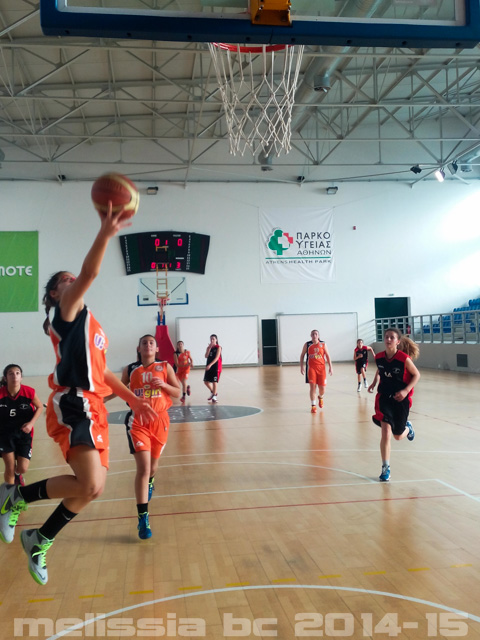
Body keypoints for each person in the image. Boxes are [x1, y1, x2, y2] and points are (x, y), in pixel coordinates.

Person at [0, 202, 157, 586]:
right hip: (73, 402)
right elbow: (90, 272)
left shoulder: (91, 325)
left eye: (73, 279)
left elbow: (102, 372)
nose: (74, 281)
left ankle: (39, 539)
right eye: (65, 280)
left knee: (93, 488)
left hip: (94, 405)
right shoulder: (65, 311)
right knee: (87, 483)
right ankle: (16, 498)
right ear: (55, 293)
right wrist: (106, 230)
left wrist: (134, 399)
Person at [122, 334, 180, 539]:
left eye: (151, 343)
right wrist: (98, 400)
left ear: (156, 349)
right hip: (138, 422)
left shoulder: (165, 367)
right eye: (144, 343)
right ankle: (143, 518)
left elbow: (178, 392)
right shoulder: (130, 369)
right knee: (144, 468)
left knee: (152, 468)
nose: (148, 345)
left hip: (160, 421)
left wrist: (163, 385)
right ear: (138, 348)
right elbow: (118, 389)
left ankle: (151, 481)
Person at [368, 328, 420, 482]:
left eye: (392, 337)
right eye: (386, 337)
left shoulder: (404, 359)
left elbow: (417, 375)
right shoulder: (379, 357)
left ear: (398, 341)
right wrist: (374, 382)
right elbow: (381, 370)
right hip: (384, 398)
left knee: (397, 436)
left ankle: (408, 428)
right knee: (385, 432)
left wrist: (405, 390)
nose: (388, 339)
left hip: (400, 400)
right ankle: (385, 467)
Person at [0, 364, 43, 486]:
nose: (14, 376)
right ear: (5, 378)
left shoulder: (29, 392)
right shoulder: (1, 394)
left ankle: (18, 475)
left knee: (22, 468)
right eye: (11, 373)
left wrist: (31, 424)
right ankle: (9, 494)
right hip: (4, 434)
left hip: (24, 433)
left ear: (21, 377)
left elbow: (40, 407)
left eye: (17, 373)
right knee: (10, 467)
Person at [300, 330, 333, 412]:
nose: (314, 335)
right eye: (313, 334)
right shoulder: (307, 344)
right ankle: (313, 405)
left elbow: (327, 355)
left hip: (321, 368)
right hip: (311, 368)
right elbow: (302, 355)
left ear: (318, 336)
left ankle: (320, 397)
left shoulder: (323, 344)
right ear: (311, 335)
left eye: (316, 334)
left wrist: (330, 367)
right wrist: (301, 366)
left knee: (322, 388)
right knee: (312, 387)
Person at [204, 334, 222, 403]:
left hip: (216, 366)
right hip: (209, 366)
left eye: (213, 339)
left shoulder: (218, 347)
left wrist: (210, 365)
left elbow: (216, 358)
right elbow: (206, 356)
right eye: (211, 339)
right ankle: (213, 392)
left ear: (216, 340)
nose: (212, 340)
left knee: (214, 381)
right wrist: (209, 348)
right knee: (206, 382)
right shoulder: (209, 348)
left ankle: (214, 396)